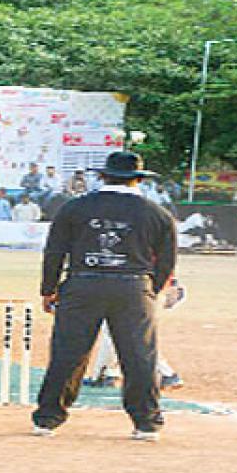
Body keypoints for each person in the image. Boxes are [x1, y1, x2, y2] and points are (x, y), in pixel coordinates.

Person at [33, 151, 177, 441]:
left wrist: (49, 289)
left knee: (68, 352)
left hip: (82, 284)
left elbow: (54, 252)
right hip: (133, 287)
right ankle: (146, 423)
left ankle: (48, 418)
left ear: (102, 176)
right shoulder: (156, 213)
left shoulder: (74, 208)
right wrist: (151, 287)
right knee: (139, 356)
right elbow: (167, 260)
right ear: (138, 179)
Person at [86, 278, 186, 391]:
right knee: (119, 330)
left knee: (122, 331)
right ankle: (107, 374)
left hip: (138, 287)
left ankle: (165, 374)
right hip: (134, 286)